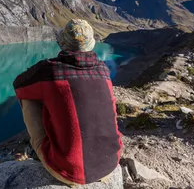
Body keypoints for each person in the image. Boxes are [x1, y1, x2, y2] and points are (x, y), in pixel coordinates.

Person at [13, 19, 122, 186]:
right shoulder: (103, 70)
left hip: (69, 171)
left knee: (28, 97)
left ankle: (47, 150)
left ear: (63, 43)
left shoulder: (49, 70)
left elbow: (19, 85)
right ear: (90, 45)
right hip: (110, 163)